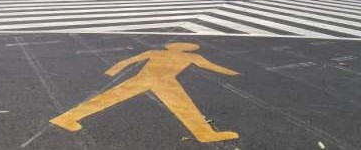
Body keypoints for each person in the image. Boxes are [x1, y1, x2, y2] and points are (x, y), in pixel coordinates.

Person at [50, 43, 239, 143]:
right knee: (185, 107)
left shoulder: (157, 52)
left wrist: (113, 71)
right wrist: (233, 73)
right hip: (154, 80)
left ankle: (205, 133)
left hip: (158, 80)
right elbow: (212, 67)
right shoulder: (191, 56)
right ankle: (205, 133)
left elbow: (128, 61)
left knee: (104, 99)